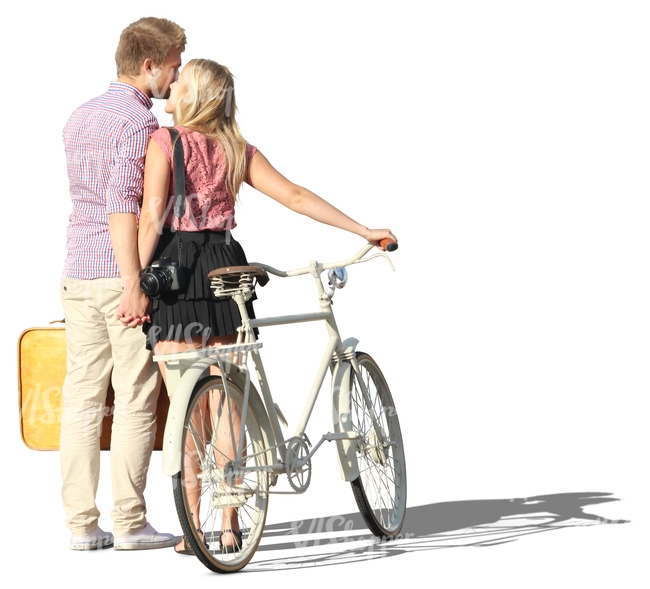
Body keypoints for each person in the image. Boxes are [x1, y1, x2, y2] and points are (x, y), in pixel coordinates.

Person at [137, 58, 397, 554]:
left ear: (191, 95)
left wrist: (134, 284)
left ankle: (193, 526)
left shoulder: (164, 143)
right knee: (229, 401)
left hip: (177, 271)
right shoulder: (237, 149)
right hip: (225, 266)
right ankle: (231, 522)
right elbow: (295, 197)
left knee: (185, 412)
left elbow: (151, 219)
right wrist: (362, 229)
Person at [60, 17, 186, 551]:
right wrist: (134, 281)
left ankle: (81, 526)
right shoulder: (139, 125)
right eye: (174, 66)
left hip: (76, 273)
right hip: (119, 273)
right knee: (135, 396)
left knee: (82, 399)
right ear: (149, 66)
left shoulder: (79, 115)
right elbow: (121, 207)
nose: (177, 78)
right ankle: (131, 523)